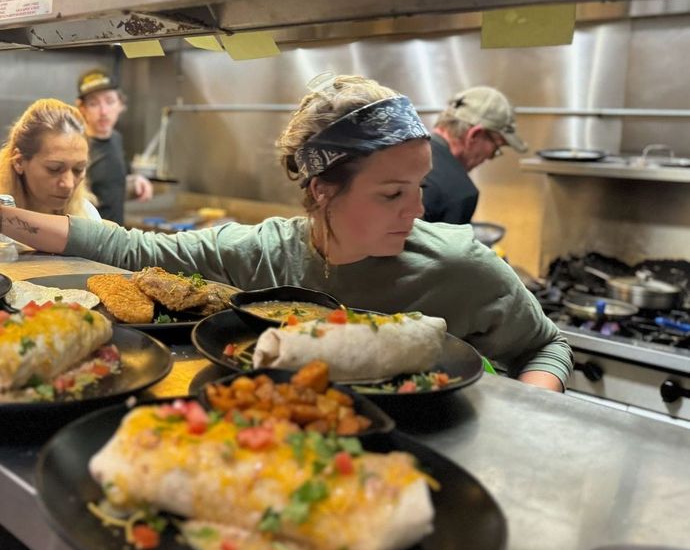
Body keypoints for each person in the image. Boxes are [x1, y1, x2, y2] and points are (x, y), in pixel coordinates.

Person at [0, 75, 572, 392]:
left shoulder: (457, 266)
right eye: (392, 193)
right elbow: (133, 248)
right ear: (323, 189)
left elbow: (547, 345)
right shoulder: (267, 255)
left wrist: (526, 409)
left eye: (420, 186)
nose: (416, 210)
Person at [422, 86, 528, 225]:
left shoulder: (400, 156)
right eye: (496, 147)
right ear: (475, 135)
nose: (490, 157)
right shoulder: (459, 193)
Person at [0, 98, 100, 219]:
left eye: (78, 169)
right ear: (19, 162)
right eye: (54, 169)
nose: (68, 184)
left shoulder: (87, 216)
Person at [76, 68, 153, 224]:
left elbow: (111, 180)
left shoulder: (116, 139)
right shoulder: (77, 148)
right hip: (90, 239)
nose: (103, 111)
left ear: (121, 105)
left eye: (110, 101)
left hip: (115, 237)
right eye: (93, 103)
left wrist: (135, 179)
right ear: (82, 108)